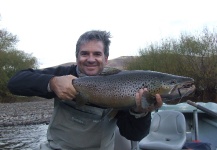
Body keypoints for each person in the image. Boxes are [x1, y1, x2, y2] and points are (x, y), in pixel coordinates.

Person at [7, 30, 163, 150]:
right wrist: (52, 82)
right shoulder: (64, 74)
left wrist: (140, 113)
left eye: (97, 54)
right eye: (84, 54)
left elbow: (133, 135)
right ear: (77, 57)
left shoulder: (123, 85)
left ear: (106, 58)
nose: (90, 59)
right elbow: (15, 82)